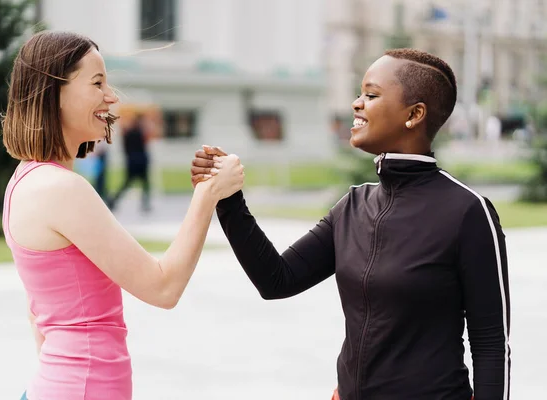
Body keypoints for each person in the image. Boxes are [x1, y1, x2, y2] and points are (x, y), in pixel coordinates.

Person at [191, 49, 510, 400]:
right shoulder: (353, 206)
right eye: (360, 94)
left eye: (371, 95)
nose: (357, 104)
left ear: (414, 114)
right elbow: (276, 279)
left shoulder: (467, 211)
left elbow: (492, 342)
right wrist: (229, 199)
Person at [1, 30, 244, 400]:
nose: (111, 97)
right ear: (55, 94)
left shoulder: (25, 180)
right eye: (97, 83)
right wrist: (209, 193)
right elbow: (163, 288)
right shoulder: (61, 189)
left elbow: (39, 316)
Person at [108, 113, 152, 212]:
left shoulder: (128, 133)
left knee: (128, 184)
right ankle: (145, 204)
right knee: (144, 184)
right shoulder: (140, 133)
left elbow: (125, 148)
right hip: (140, 162)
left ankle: (114, 200)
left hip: (131, 161)